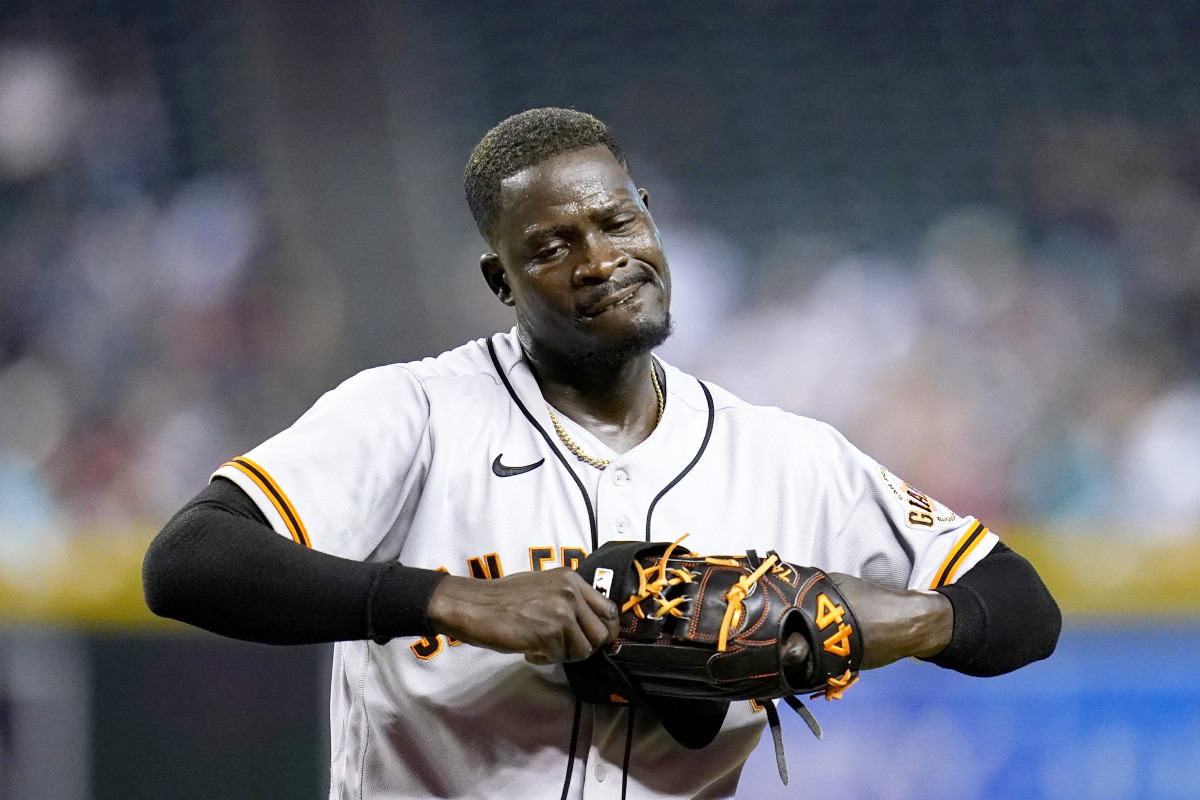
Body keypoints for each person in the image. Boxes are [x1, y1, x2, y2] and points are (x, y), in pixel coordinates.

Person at [142, 107, 1060, 800]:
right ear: (500, 280)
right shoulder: (412, 413)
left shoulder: (784, 453)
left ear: (650, 220)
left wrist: (839, 628)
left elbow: (1018, 605)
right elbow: (187, 560)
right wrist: (449, 599)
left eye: (617, 222)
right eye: (552, 245)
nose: (600, 258)